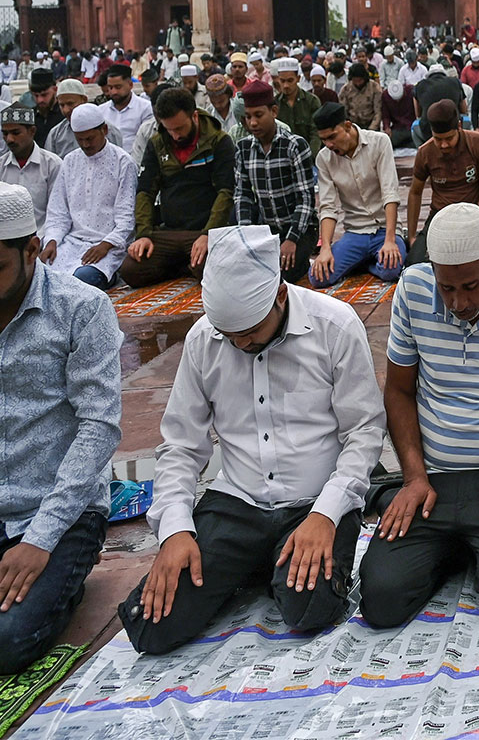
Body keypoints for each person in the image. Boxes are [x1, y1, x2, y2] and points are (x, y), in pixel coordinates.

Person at [118, 226, 384, 654]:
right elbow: (181, 445)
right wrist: (174, 530)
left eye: (250, 331)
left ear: (279, 295)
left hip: (312, 504)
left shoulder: (334, 326)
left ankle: (264, 564)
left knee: (309, 607)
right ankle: (254, 561)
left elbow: (364, 433)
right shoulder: (206, 339)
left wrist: (327, 515)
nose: (239, 343)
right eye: (230, 334)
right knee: (150, 626)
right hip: (237, 504)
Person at [357, 204, 479, 627]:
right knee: (381, 600)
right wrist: (413, 476)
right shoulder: (412, 289)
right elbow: (398, 390)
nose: (457, 302)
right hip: (431, 482)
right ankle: (413, 509)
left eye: (470, 286)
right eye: (446, 288)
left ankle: (465, 546)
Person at [0, 184, 122, 675]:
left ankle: (63, 582)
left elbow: (99, 427)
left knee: (4, 643)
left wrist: (40, 540)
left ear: (31, 249)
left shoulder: (81, 308)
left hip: (61, 515)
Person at [118, 89, 237, 287]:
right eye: (169, 129)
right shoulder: (157, 143)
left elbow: (226, 192)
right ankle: (183, 263)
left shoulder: (219, 141)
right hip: (169, 232)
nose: (175, 135)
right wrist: (144, 234)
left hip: (203, 230)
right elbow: (146, 192)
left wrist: (209, 234)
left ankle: (188, 262)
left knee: (213, 270)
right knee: (131, 270)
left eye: (180, 128)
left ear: (195, 116)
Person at [40, 103, 137, 288]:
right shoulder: (70, 161)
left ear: (104, 130)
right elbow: (58, 212)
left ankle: (112, 275)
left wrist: (105, 245)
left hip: (108, 246)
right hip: (71, 243)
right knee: (38, 275)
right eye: (80, 139)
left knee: (81, 281)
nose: (85, 144)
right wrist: (52, 241)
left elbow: (127, 219)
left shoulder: (123, 162)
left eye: (90, 138)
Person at [310, 102, 405, 286]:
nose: (329, 144)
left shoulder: (379, 142)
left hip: (384, 229)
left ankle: (366, 260)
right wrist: (326, 250)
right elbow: (328, 207)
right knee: (319, 277)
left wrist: (390, 240)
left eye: (332, 137)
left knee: (391, 270)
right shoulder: (324, 158)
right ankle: (365, 259)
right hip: (355, 232)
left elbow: (390, 193)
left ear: (347, 126)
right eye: (324, 140)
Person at [233, 83, 318, 283]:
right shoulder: (243, 149)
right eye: (248, 116)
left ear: (274, 111)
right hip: (267, 230)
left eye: (258, 115)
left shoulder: (295, 145)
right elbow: (242, 196)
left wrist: (291, 239)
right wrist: (246, 238)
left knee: (282, 275)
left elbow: (306, 199)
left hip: (301, 229)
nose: (252, 123)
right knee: (248, 273)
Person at [407, 100, 479, 266]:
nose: (444, 145)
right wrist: (412, 236)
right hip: (440, 217)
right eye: (437, 139)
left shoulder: (478, 143)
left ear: (459, 126)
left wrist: (475, 222)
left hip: (473, 215)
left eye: (449, 138)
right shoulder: (425, 152)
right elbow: (415, 192)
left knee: (478, 262)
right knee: (415, 265)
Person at [0, 105, 63, 233]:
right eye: (5, 134)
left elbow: (58, 213)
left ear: (32, 131)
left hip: (44, 237)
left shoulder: (53, 165)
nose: (9, 139)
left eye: (16, 133)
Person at [270, 57, 322, 160]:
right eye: (282, 81)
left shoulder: (311, 101)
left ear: (298, 79)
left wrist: (309, 157)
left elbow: (315, 133)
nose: (285, 85)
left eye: (290, 81)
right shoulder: (274, 103)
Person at [100, 62, 154, 150]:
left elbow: (147, 141)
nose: (113, 92)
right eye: (110, 88)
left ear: (130, 85)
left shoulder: (145, 108)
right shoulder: (101, 111)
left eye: (118, 87)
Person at [338, 62, 381, 132]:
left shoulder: (375, 88)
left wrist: (370, 130)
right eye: (355, 81)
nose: (358, 83)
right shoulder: (345, 89)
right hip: (352, 126)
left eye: (360, 80)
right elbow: (343, 111)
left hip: (370, 125)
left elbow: (378, 112)